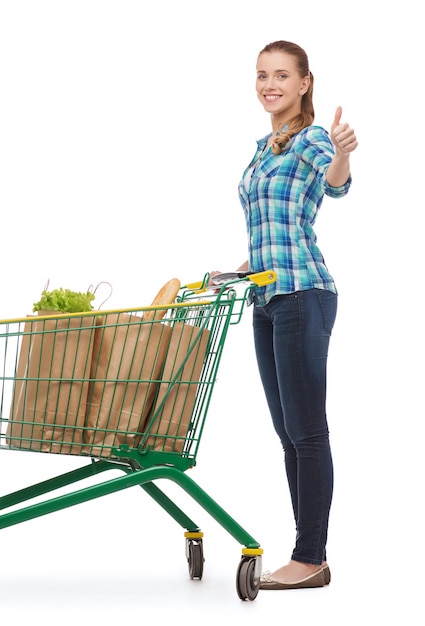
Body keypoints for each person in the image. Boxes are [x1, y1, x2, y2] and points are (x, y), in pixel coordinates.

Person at [217, 40, 358, 590]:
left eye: (281, 76)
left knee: (307, 432)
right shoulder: (262, 148)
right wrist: (241, 270)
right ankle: (306, 551)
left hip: (304, 294)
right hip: (267, 298)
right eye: (261, 76)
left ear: (304, 84)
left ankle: (311, 556)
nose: (269, 84)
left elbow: (336, 184)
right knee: (287, 434)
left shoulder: (311, 139)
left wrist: (344, 152)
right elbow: (272, 229)